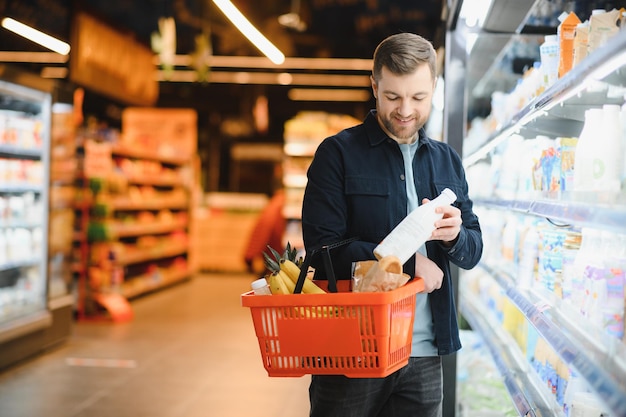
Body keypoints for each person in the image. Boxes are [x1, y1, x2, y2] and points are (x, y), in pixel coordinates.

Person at [301, 32, 483, 417]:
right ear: (374, 87)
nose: (405, 110)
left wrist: (455, 237)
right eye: (392, 97)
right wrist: (408, 263)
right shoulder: (337, 155)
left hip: (424, 354)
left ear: (434, 88)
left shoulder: (447, 161)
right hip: (351, 349)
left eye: (418, 98)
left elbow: (473, 249)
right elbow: (322, 253)